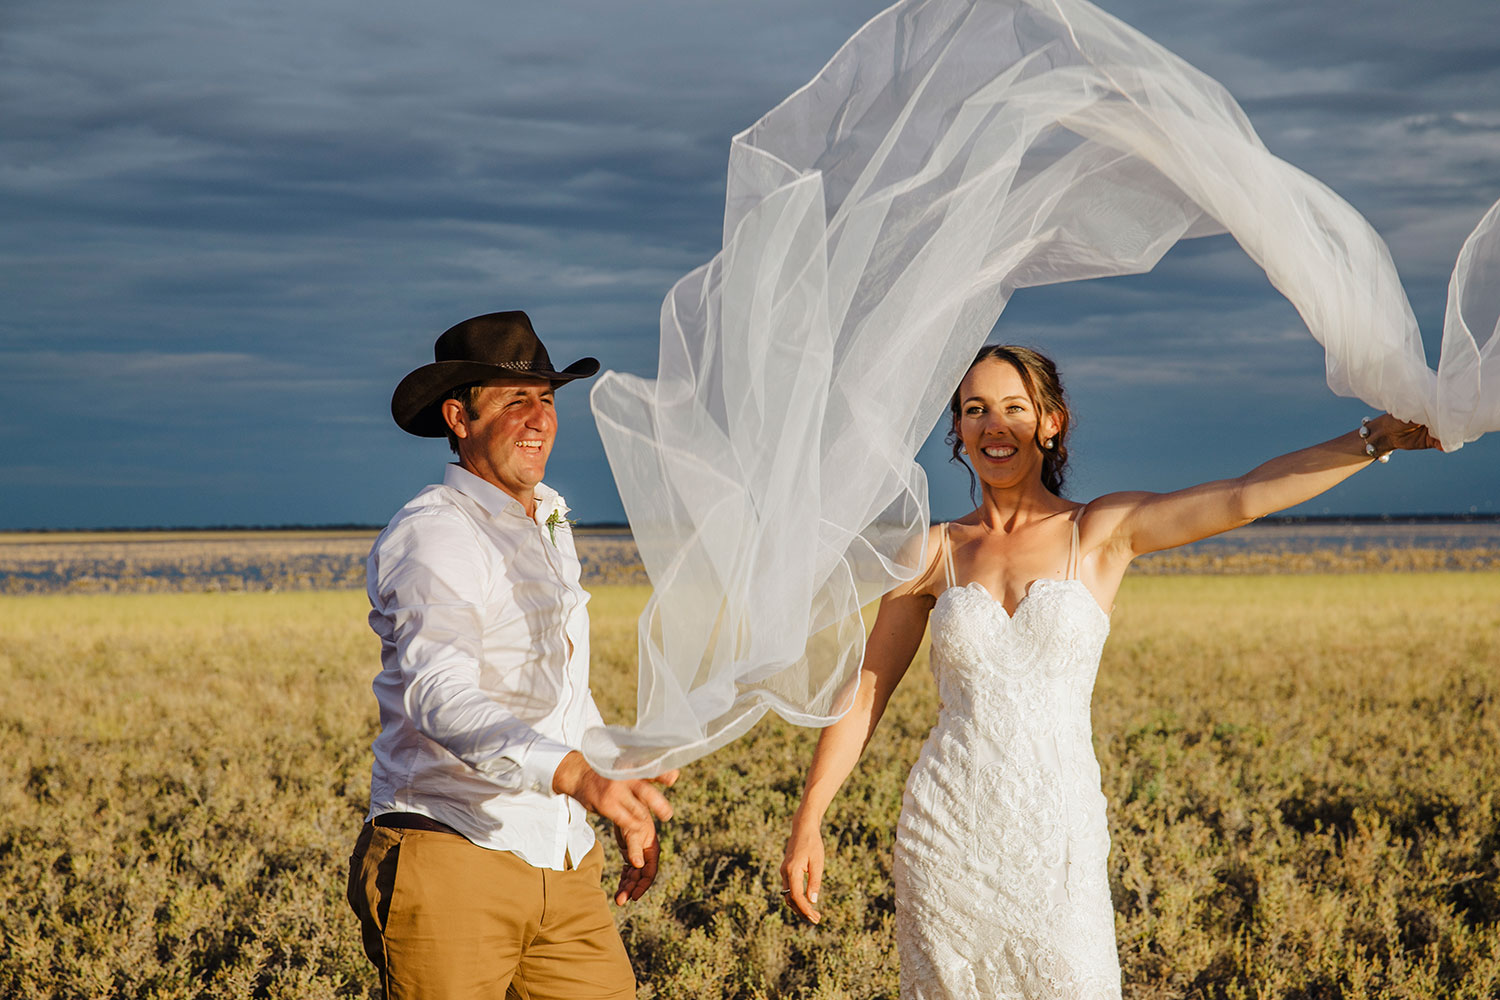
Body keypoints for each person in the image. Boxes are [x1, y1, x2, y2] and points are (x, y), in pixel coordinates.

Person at [778, 344, 1440, 999]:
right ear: (957, 429)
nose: (993, 425)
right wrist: (811, 816)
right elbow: (866, 689)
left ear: (1051, 421)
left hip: (1057, 843)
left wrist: (1371, 439)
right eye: (975, 409)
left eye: (1015, 407)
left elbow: (1242, 498)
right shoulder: (930, 553)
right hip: (944, 839)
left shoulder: (1099, 531)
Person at [347, 310, 680, 1000]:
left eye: (548, 399)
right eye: (513, 399)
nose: (538, 418)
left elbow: (561, 694)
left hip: (564, 862)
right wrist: (581, 779)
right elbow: (440, 693)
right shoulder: (437, 532)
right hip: (451, 855)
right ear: (459, 418)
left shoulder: (550, 518)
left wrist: (614, 781)